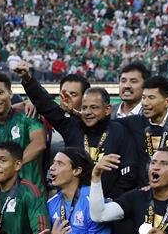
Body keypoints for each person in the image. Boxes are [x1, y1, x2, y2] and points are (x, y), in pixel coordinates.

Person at [16, 65, 137, 199]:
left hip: (108, 207)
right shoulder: (73, 127)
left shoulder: (119, 131)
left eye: (94, 108)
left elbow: (129, 175)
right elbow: (47, 105)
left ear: (107, 109)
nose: (88, 112)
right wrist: (27, 79)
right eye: (84, 108)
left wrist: (109, 202)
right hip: (74, 206)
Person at [114, 75, 168, 193]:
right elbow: (104, 123)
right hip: (145, 199)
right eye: (143, 97)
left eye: (151, 98)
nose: (145, 103)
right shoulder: (133, 123)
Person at [0, 72, 46, 193]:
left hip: (32, 196)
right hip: (2, 199)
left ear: (10, 93)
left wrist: (10, 167)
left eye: (0, 92)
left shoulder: (27, 115)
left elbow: (39, 143)